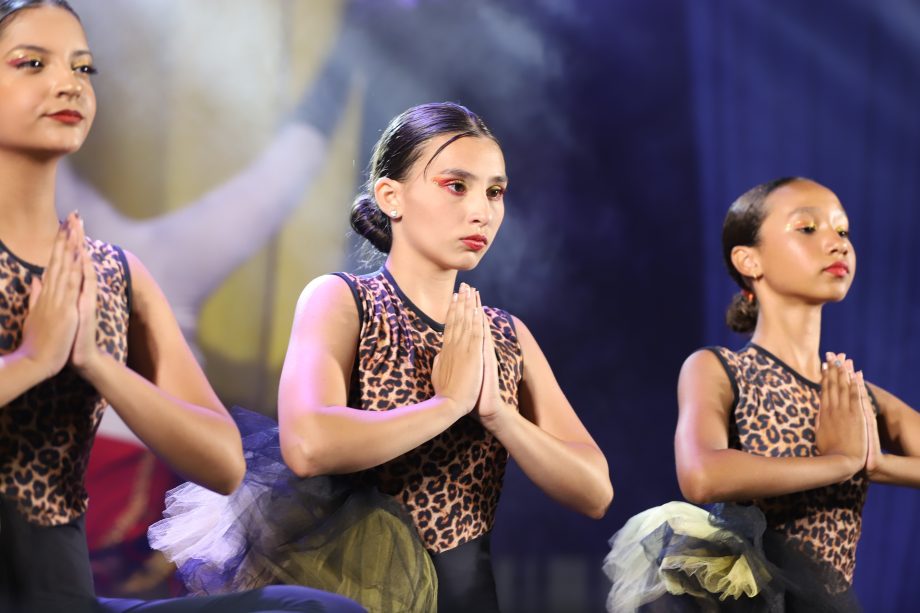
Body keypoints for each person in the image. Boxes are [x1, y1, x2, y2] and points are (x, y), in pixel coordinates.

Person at [150, 102, 614, 613]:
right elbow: (307, 444)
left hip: (468, 594)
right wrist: (446, 404)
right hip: (357, 591)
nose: (481, 211)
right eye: (456, 186)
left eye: (494, 192)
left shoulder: (505, 335)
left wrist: (499, 415)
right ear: (391, 196)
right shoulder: (345, 300)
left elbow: (595, 492)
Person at [0, 2, 362, 611]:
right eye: (32, 63)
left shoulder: (116, 275)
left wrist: (99, 364)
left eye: (83, 68)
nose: (68, 83)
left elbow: (224, 463)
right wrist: (34, 359)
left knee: (317, 610)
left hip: (60, 594)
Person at [604, 177, 920, 611]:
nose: (838, 244)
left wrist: (873, 463)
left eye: (843, 230)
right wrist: (839, 463)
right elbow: (701, 474)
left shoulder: (853, 396)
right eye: (807, 228)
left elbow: (867, 459)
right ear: (748, 259)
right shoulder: (721, 369)